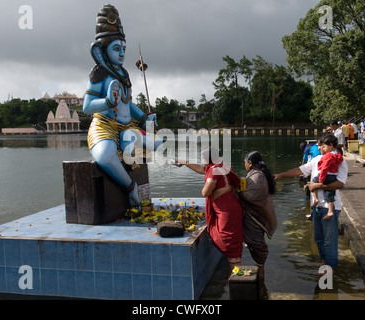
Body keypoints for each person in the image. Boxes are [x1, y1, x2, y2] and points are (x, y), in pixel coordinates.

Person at [83, 4, 162, 208]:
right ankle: (129, 187)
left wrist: (144, 119)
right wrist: (108, 102)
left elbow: (127, 102)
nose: (121, 54)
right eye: (116, 49)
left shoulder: (124, 74)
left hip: (126, 129)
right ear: (102, 50)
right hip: (105, 127)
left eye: (123, 49)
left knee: (158, 143)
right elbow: (87, 106)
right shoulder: (99, 74)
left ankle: (129, 154)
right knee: (105, 155)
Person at [274, 132, 348, 269]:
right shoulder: (317, 160)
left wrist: (317, 185)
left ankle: (330, 268)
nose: (319, 148)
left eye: (321, 145)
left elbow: (340, 184)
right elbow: (300, 170)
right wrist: (281, 175)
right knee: (318, 238)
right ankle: (325, 262)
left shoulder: (340, 162)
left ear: (330, 146)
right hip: (317, 206)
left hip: (330, 206)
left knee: (329, 241)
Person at [177, 148, 244, 271]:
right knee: (232, 239)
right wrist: (185, 162)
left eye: (202, 158)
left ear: (207, 159)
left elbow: (205, 192)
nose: (202, 161)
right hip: (232, 206)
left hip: (227, 210)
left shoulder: (214, 171)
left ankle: (237, 275)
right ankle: (235, 272)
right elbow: (200, 169)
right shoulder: (223, 166)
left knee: (227, 239)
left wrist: (208, 186)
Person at [239, 151, 277, 276]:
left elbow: (249, 196)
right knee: (255, 244)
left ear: (250, 164)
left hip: (255, 218)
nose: (244, 164)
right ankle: (260, 274)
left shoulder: (257, 177)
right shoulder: (257, 174)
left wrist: (237, 191)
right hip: (256, 215)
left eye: (245, 162)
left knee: (257, 245)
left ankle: (261, 280)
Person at [311, 134, 343, 221]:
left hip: (326, 175)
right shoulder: (338, 155)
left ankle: (316, 199)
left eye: (324, 146)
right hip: (333, 176)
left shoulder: (328, 156)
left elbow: (324, 168)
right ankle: (330, 210)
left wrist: (320, 180)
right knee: (330, 193)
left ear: (331, 145)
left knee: (313, 183)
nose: (323, 148)